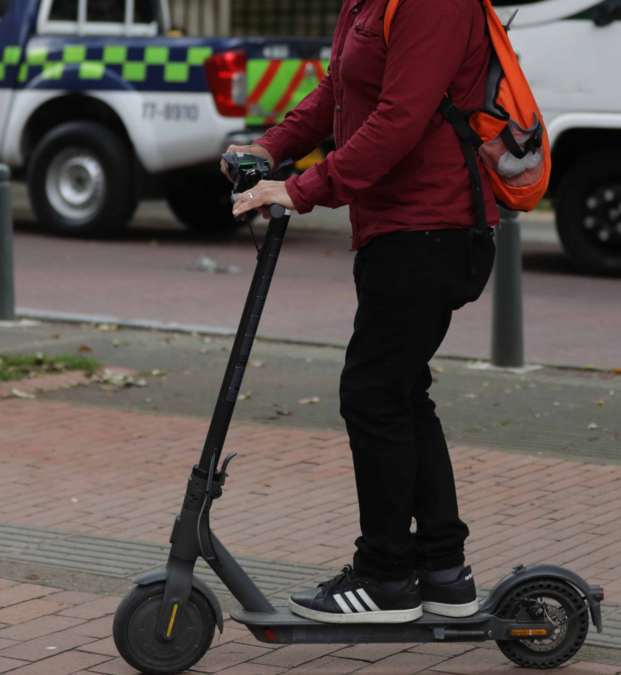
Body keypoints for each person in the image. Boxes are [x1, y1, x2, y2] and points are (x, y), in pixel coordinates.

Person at [223, 0, 497, 625]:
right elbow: (339, 92)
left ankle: (386, 577)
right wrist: (270, 148)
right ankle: (443, 574)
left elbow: (400, 120)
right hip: (391, 228)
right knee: (400, 393)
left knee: (373, 393)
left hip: (432, 227)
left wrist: (301, 187)